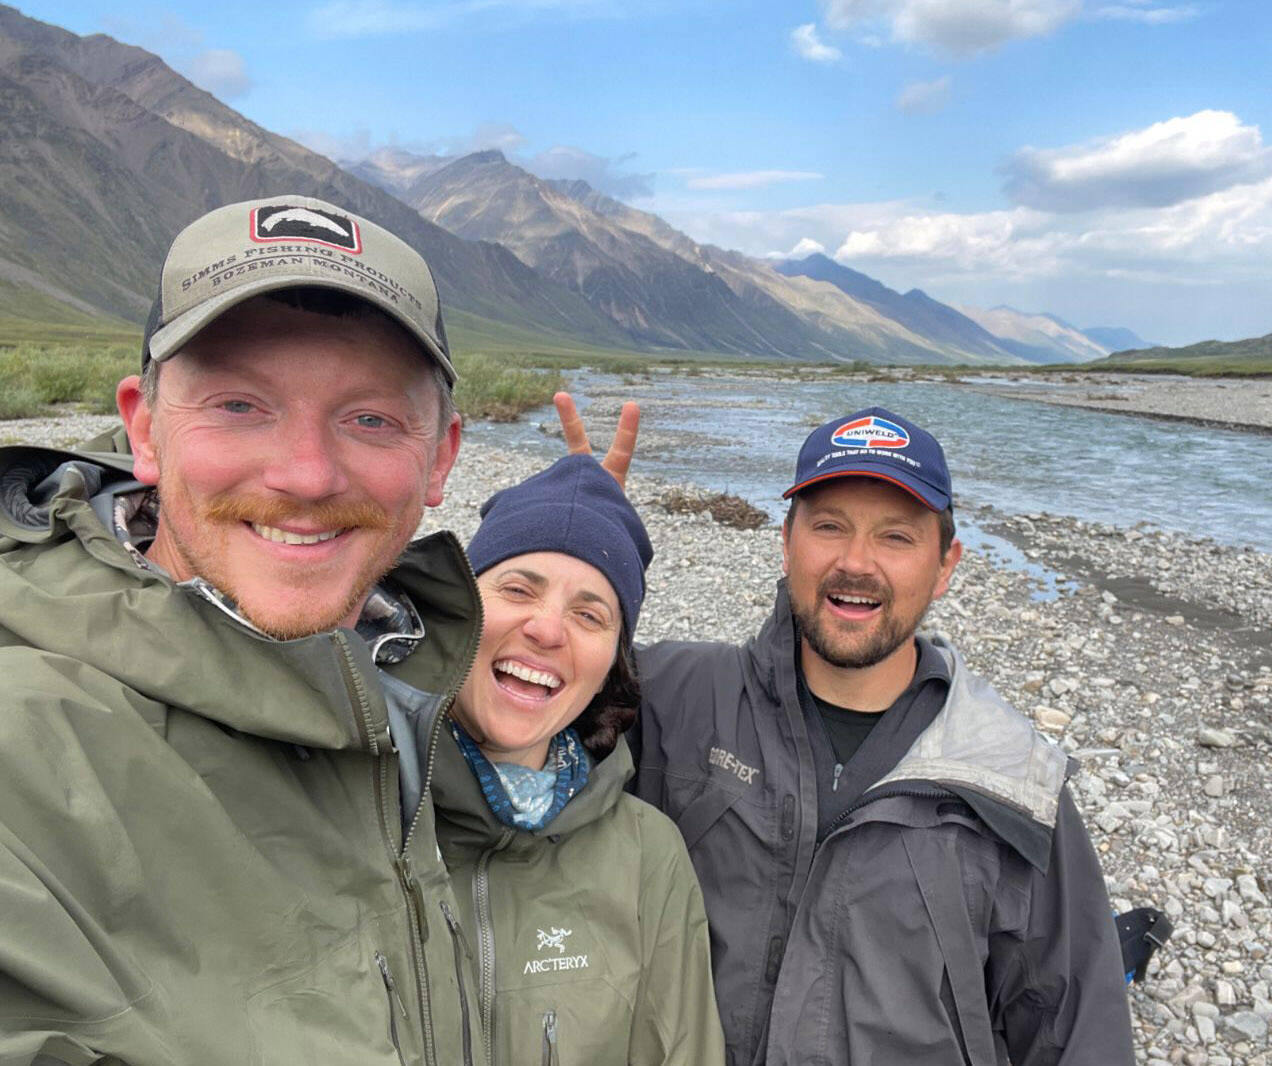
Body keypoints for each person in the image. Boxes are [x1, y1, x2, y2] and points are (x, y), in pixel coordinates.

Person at [0, 196, 493, 1064]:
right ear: (144, 427)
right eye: (239, 405)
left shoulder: (410, 684)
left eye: (370, 417)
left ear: (441, 456)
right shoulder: (25, 749)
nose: (304, 474)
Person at [619, 406, 1137, 1064]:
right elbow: (523, 719)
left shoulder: (1008, 781)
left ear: (945, 564)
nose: (856, 563)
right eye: (830, 527)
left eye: (896, 537)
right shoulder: (676, 697)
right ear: (787, 543)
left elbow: (1078, 1030)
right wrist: (586, 553)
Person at [430, 454, 723, 1064]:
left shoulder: (649, 857)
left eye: (590, 615)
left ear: (609, 669)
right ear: (458, 611)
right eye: (517, 589)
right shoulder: (362, 806)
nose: (547, 629)